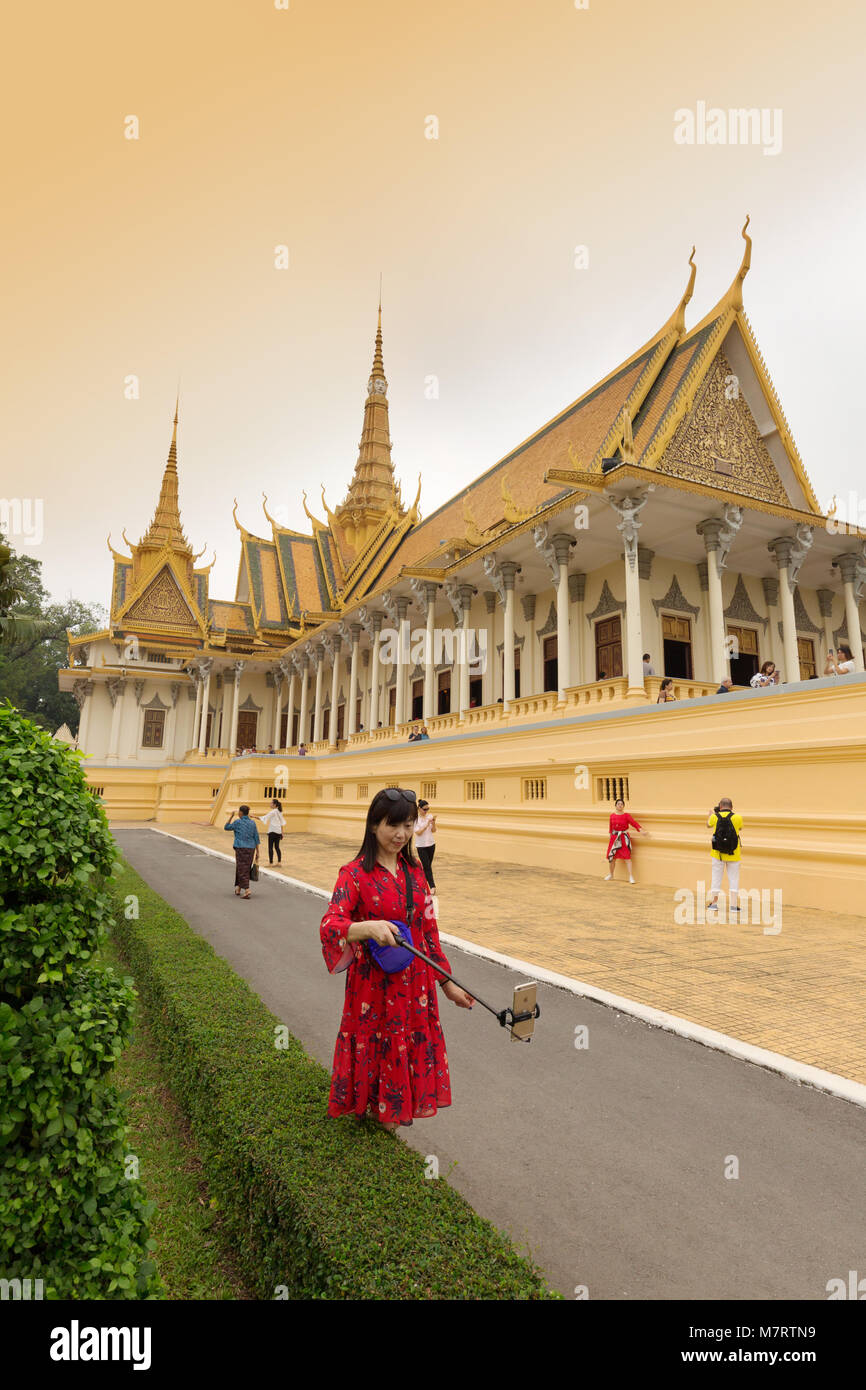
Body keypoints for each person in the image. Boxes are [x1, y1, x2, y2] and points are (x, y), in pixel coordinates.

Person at [319, 788, 473, 1130]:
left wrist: (447, 983)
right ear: (374, 825)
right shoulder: (353, 873)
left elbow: (429, 932)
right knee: (378, 1045)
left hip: (415, 987)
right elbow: (331, 924)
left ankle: (390, 1123)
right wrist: (366, 927)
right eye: (393, 825)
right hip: (373, 987)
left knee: (405, 1048)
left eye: (407, 825)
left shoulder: (416, 872)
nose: (401, 834)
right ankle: (376, 1119)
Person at [706, 797, 743, 914]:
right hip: (734, 854)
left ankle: (714, 904)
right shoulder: (738, 817)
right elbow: (740, 828)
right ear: (732, 807)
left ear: (720, 806)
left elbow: (708, 825)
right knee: (734, 879)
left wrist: (710, 815)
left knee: (716, 878)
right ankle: (733, 906)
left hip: (718, 854)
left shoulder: (714, 817)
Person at [604, 797, 647, 883]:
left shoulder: (626, 815)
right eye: (618, 804)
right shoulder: (612, 816)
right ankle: (611, 874)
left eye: (621, 804)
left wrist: (641, 830)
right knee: (612, 858)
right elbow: (610, 828)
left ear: (623, 806)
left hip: (623, 838)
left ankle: (631, 877)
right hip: (614, 838)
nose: (620, 805)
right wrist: (611, 840)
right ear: (615, 805)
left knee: (627, 857)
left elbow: (634, 823)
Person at [224, 804, 260, 899]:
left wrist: (231, 816)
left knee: (242, 868)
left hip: (241, 848)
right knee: (244, 868)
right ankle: (239, 888)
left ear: (240, 812)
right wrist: (258, 852)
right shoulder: (253, 823)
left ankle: (247, 889)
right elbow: (256, 837)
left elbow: (226, 827)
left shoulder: (237, 822)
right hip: (251, 848)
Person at [414, 799, 437, 890]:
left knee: (427, 867)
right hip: (421, 846)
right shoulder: (415, 819)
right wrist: (426, 825)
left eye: (428, 809)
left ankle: (421, 884)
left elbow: (433, 831)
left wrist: (433, 823)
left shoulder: (429, 816)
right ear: (419, 808)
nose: (426, 811)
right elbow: (418, 833)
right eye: (424, 809)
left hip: (431, 844)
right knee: (427, 866)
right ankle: (432, 886)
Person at [259, 797, 285, 865]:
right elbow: (282, 822)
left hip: (272, 832)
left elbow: (264, 818)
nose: (270, 804)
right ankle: (279, 862)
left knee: (270, 847)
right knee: (277, 847)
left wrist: (254, 816)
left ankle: (271, 863)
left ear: (275, 804)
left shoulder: (273, 812)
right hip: (278, 832)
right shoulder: (280, 811)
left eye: (271, 803)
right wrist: (282, 832)